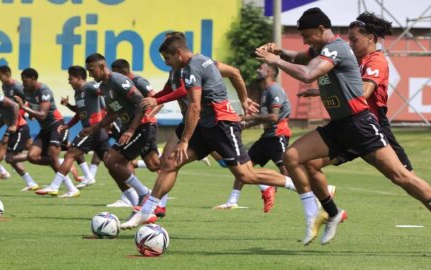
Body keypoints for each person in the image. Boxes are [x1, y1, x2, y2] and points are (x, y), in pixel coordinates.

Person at [255, 7, 431, 245]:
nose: (305, 40)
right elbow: (302, 58)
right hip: (339, 126)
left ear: (320, 29)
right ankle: (328, 212)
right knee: (294, 158)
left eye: (307, 35)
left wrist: (276, 60)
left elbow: (312, 75)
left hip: (364, 125)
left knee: (402, 177)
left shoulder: (347, 52)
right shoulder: (326, 49)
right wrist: (281, 52)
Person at [120, 35, 295, 230]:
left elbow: (195, 105)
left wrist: (184, 140)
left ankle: (301, 186)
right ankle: (147, 212)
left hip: (221, 124)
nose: (166, 63)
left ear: (178, 53)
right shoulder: (181, 68)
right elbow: (174, 90)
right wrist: (156, 99)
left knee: (246, 175)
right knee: (170, 163)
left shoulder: (196, 65)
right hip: (204, 125)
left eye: (167, 58)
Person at [214, 62, 297, 212]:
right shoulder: (265, 91)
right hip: (266, 138)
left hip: (278, 135)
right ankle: (232, 201)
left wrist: (246, 119)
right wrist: (243, 125)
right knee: (242, 167)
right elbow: (262, 118)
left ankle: (314, 195)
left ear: (271, 73)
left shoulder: (274, 90)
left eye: (262, 68)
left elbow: (273, 118)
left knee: (287, 171)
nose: (258, 69)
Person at [82, 53, 151, 211]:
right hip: (129, 129)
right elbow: (113, 113)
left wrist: (132, 129)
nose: (90, 74)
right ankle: (136, 203)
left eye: (91, 70)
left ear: (101, 67)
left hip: (141, 126)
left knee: (112, 160)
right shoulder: (103, 87)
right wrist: (93, 128)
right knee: (110, 163)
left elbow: (142, 102)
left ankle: (144, 193)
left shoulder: (118, 80)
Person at [39, 66, 111, 198]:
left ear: (78, 78)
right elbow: (79, 113)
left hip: (92, 129)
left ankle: (54, 186)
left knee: (70, 153)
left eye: (70, 79)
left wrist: (109, 115)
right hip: (95, 131)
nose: (69, 81)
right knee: (112, 162)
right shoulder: (78, 92)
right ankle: (136, 194)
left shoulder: (89, 87)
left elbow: (105, 92)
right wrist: (68, 124)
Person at [14, 68, 75, 196]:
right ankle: (64, 166)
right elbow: (34, 106)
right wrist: (30, 110)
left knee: (52, 156)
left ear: (33, 79)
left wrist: (23, 107)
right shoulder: (26, 91)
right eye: (22, 81)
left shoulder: (44, 91)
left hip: (57, 125)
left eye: (25, 81)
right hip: (45, 129)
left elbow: (42, 115)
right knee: (32, 156)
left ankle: (69, 188)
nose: (23, 83)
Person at [0, 78, 38, 190]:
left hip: (20, 127)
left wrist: (13, 125)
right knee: (11, 159)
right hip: (15, 127)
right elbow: (2, 119)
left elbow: (15, 106)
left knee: (5, 147)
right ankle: (30, 183)